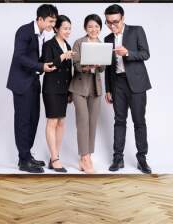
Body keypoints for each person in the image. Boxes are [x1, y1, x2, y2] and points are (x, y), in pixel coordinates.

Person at [6, 4, 58, 173]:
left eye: (54, 21)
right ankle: (23, 160)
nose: (52, 25)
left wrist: (50, 62)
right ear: (40, 19)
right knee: (23, 121)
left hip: (34, 81)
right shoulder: (24, 31)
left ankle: (27, 155)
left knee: (34, 119)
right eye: (50, 21)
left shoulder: (42, 34)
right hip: (21, 83)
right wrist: (41, 66)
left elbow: (39, 58)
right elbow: (19, 56)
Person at [104, 4, 152, 174]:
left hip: (137, 83)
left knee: (139, 121)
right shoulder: (108, 39)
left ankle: (142, 158)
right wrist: (107, 89)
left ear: (123, 18)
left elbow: (145, 54)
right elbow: (108, 67)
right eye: (108, 22)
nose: (112, 25)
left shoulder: (136, 30)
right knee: (119, 121)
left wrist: (127, 53)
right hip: (117, 83)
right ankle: (118, 158)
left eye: (115, 21)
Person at [68, 14, 105, 174]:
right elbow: (75, 65)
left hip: (95, 88)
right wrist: (87, 65)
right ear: (85, 28)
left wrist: (99, 65)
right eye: (90, 26)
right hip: (79, 87)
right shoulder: (78, 43)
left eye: (96, 26)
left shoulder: (102, 44)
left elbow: (103, 68)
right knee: (82, 121)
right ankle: (84, 158)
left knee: (92, 122)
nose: (93, 29)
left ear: (100, 28)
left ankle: (88, 155)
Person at [41, 15, 75, 173]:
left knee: (61, 123)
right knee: (52, 122)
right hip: (51, 89)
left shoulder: (67, 44)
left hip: (63, 90)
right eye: (65, 28)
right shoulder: (48, 45)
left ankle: (55, 156)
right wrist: (62, 56)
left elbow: (69, 72)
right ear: (56, 28)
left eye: (69, 28)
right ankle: (55, 159)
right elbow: (48, 65)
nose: (68, 31)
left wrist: (70, 91)